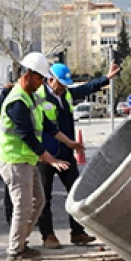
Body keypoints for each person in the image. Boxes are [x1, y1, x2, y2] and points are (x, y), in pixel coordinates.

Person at [0, 53, 75, 261]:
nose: (43, 82)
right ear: (29, 75)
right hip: (14, 161)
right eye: (40, 77)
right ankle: (15, 251)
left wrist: (69, 143)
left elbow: (48, 126)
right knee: (23, 206)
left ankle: (21, 244)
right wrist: (50, 160)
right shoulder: (16, 101)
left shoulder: (32, 96)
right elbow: (27, 136)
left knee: (38, 202)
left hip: (27, 160)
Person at [34, 61, 119, 249]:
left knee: (76, 192)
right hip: (45, 156)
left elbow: (86, 89)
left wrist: (106, 78)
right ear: (50, 80)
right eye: (61, 84)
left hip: (65, 154)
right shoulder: (37, 97)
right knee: (44, 197)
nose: (64, 87)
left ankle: (78, 232)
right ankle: (48, 235)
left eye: (66, 84)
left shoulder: (67, 95)